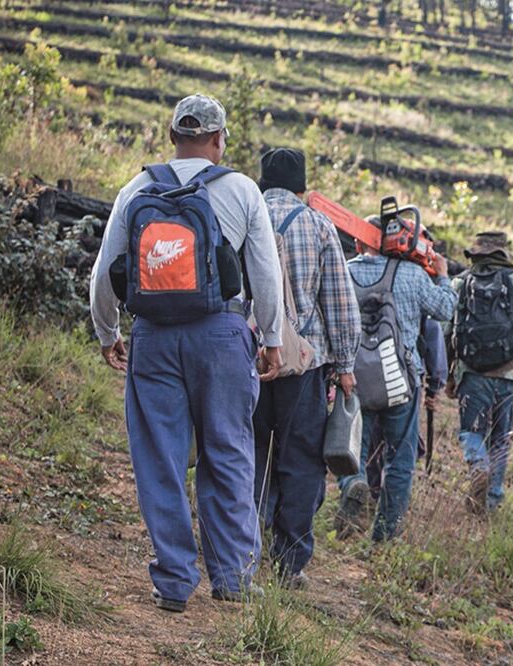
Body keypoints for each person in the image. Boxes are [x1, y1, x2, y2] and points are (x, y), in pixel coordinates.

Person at [89, 94, 285, 612]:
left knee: (161, 458)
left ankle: (174, 581)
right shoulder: (242, 189)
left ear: (172, 135)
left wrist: (107, 331)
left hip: (152, 336)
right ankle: (234, 578)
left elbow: (105, 271)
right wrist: (271, 338)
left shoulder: (137, 188)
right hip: (222, 335)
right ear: (219, 140)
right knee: (228, 453)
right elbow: (265, 273)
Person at [252, 148, 361, 588]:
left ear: (262, 182)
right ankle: (288, 563)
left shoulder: (244, 215)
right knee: (301, 462)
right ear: (303, 188)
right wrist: (346, 364)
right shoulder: (317, 225)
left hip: (251, 359)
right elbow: (338, 302)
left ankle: (244, 546)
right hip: (304, 365)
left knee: (249, 454)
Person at [334, 230, 456, 542]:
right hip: (401, 379)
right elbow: (445, 311)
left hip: (357, 377)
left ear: (362, 242)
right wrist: (443, 276)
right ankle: (386, 535)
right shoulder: (413, 274)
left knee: (353, 449)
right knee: (400, 459)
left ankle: (353, 485)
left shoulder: (347, 269)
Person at [444, 232, 513, 514]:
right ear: (503, 253)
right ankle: (490, 502)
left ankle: (478, 466)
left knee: (471, 431)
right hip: (511, 375)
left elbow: (445, 331)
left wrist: (449, 375)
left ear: (476, 254)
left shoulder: (460, 283)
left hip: (472, 372)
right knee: (501, 438)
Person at [364, 316, 448, 500]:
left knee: (372, 439)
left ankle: (372, 490)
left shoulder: (364, 289)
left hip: (368, 375)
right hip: (405, 380)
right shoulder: (418, 294)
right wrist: (434, 386)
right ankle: (391, 502)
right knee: (401, 446)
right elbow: (434, 337)